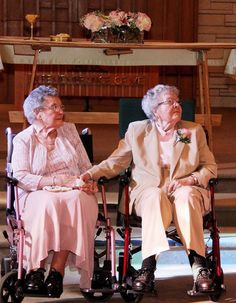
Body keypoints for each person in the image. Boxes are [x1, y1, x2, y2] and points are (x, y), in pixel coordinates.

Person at [81, 84, 217, 294]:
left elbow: (210, 167)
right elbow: (116, 162)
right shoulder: (137, 130)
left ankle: (199, 267)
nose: (176, 105)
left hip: (183, 188)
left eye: (177, 101)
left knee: (187, 196)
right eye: (169, 102)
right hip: (147, 192)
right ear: (155, 110)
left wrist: (190, 180)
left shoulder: (191, 131)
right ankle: (148, 267)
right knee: (155, 196)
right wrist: (91, 174)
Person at [11, 85, 98, 297]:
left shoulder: (69, 131)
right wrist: (60, 181)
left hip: (74, 190)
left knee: (76, 200)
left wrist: (88, 180)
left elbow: (86, 167)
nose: (60, 111)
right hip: (36, 191)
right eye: (54, 107)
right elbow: (21, 176)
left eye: (61, 106)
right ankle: (35, 270)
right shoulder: (23, 139)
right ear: (37, 113)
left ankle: (56, 272)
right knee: (47, 202)